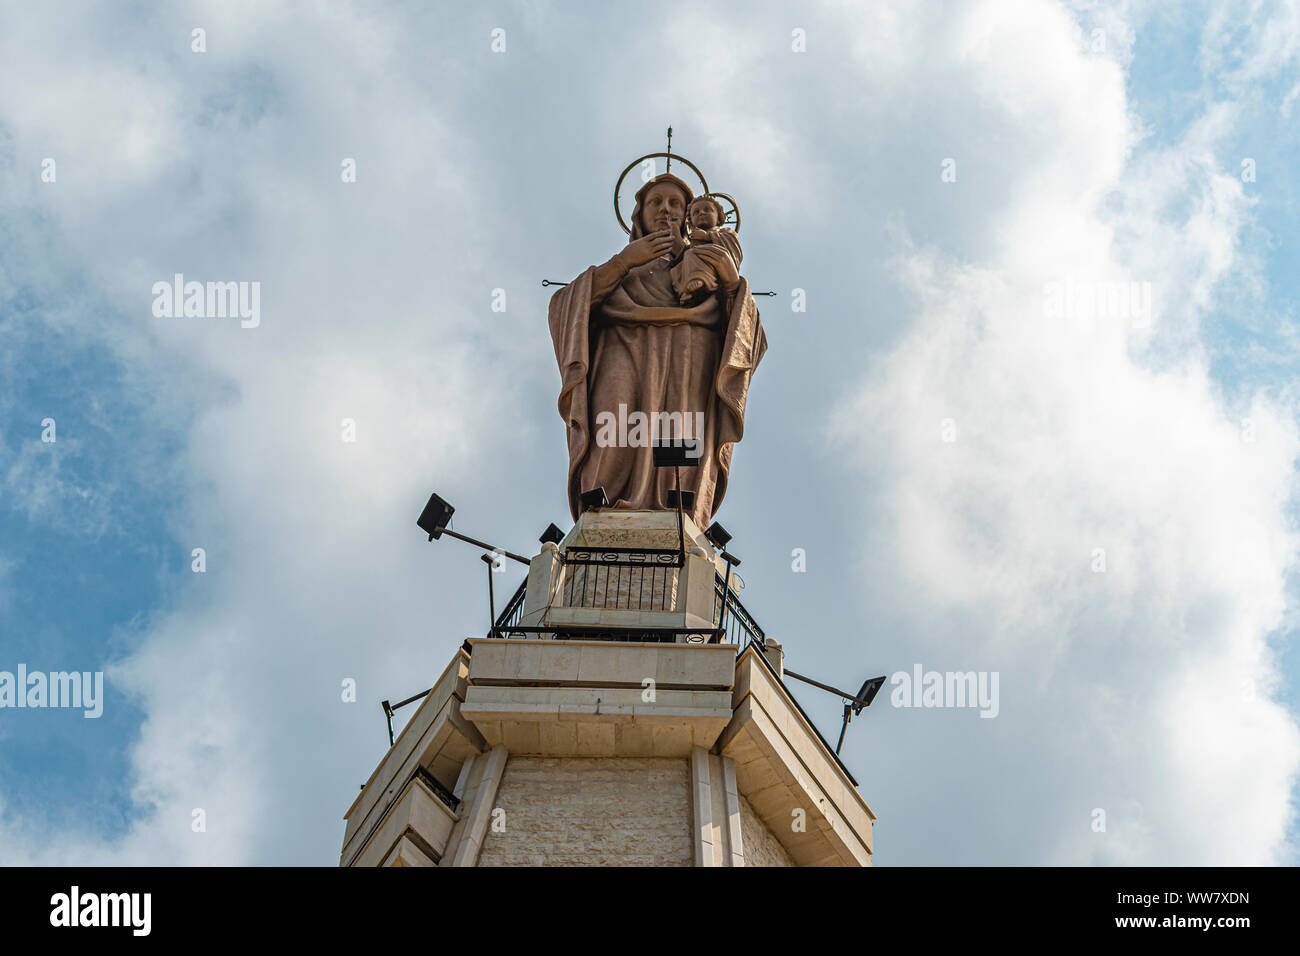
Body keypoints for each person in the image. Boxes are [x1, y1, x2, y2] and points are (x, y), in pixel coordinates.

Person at [548, 173, 766, 528]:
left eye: (675, 203)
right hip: (623, 350)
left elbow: (746, 332)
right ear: (639, 214)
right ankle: (602, 509)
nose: (666, 210)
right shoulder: (622, 268)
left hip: (688, 354)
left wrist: (729, 282)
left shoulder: (707, 260)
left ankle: (676, 512)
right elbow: (564, 307)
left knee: (680, 435)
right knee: (616, 429)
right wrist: (623, 262)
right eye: (656, 202)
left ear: (689, 213)